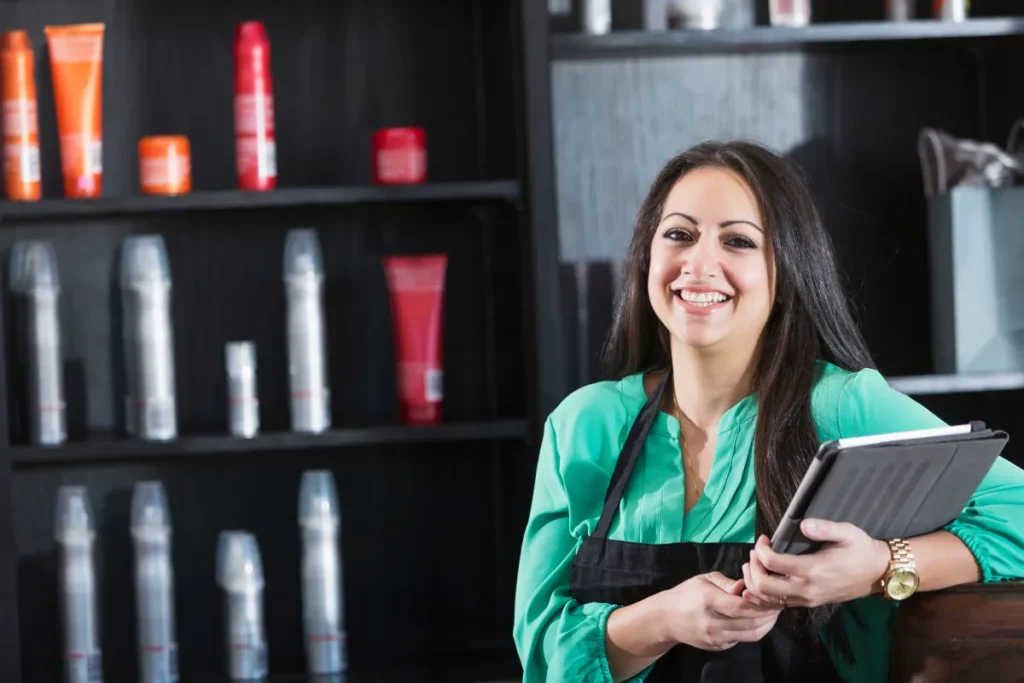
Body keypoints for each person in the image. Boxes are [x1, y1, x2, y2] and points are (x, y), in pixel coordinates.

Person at [512, 140, 1024, 683]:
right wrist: (663, 620)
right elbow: (542, 657)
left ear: (784, 274)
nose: (698, 264)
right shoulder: (584, 426)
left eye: (738, 241)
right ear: (646, 258)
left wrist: (880, 566)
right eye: (680, 235)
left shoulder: (841, 406)